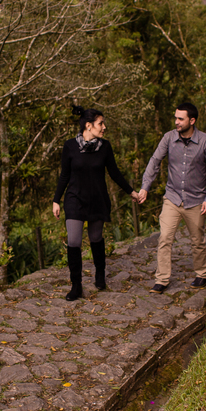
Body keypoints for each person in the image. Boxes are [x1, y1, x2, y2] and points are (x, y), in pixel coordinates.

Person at [53, 106, 141, 301]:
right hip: (75, 199)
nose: (104, 127)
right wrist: (56, 200)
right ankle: (76, 286)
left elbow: (114, 172)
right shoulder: (69, 146)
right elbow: (64, 175)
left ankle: (100, 273)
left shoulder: (105, 147)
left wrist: (131, 192)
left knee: (96, 238)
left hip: (97, 199)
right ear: (88, 125)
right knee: (74, 241)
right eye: (101, 123)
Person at [135, 102, 206, 293]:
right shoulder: (168, 138)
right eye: (175, 118)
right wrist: (145, 187)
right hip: (172, 197)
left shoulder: (205, 141)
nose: (176, 122)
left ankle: (202, 274)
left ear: (192, 120)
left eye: (180, 119)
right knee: (165, 237)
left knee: (197, 240)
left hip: (196, 200)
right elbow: (155, 161)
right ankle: (162, 279)